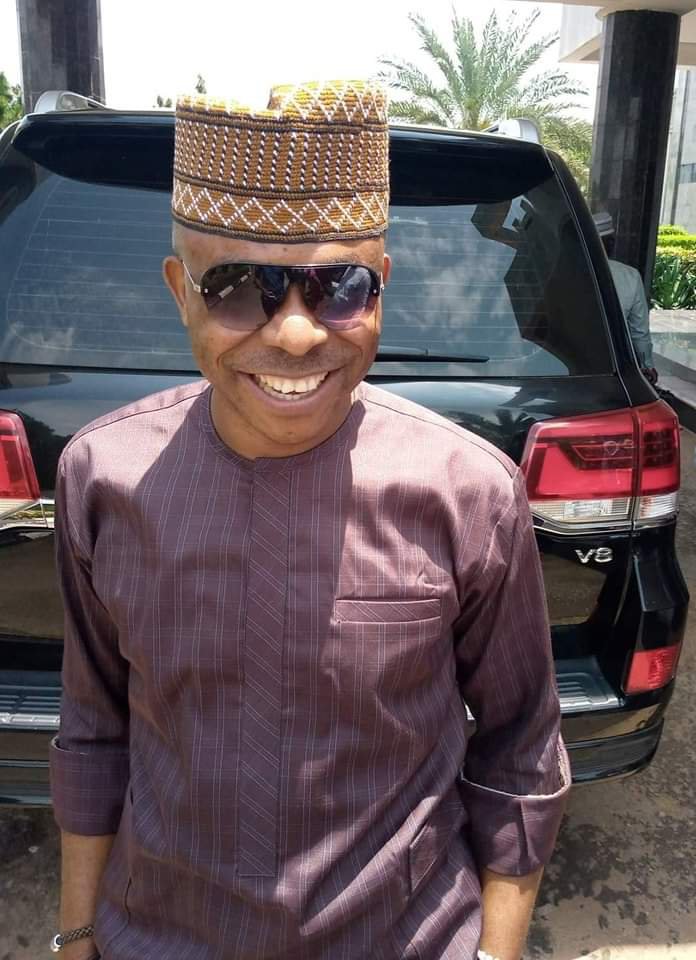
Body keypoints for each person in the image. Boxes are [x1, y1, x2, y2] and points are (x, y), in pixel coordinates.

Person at [50, 80, 569, 960]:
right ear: (180, 291)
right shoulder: (103, 477)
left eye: (339, 288)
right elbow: (95, 731)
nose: (295, 334)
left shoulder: (467, 492)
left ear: (382, 289)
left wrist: (498, 952)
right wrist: (75, 937)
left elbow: (521, 745)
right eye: (238, 288)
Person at [595, 211, 658, 384]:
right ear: (612, 243)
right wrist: (647, 365)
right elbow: (639, 331)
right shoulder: (630, 276)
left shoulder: (565, 274)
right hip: (616, 367)